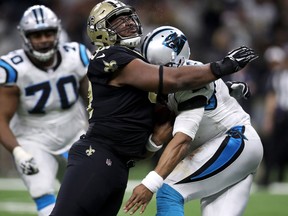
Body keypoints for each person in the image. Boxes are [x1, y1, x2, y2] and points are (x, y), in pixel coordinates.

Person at [49, 1, 258, 216]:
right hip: (97, 154)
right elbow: (169, 79)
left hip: (118, 164)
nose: (128, 23)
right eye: (118, 20)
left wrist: (221, 86)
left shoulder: (140, 63)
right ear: (100, 30)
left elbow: (172, 85)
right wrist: (219, 68)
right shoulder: (109, 55)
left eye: (129, 17)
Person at [124, 26, 263, 216]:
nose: (156, 73)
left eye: (160, 67)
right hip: (233, 148)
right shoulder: (193, 73)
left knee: (168, 192)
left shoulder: (191, 83)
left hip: (234, 143)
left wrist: (150, 183)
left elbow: (182, 140)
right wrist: (229, 89)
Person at [0, 5, 90, 216]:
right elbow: (1, 118)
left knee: (89, 193)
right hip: (33, 138)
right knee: (42, 190)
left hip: (74, 131)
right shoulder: (13, 69)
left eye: (48, 33)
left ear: (58, 32)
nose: (43, 40)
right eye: (36, 35)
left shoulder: (77, 55)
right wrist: (17, 150)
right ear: (24, 37)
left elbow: (93, 99)